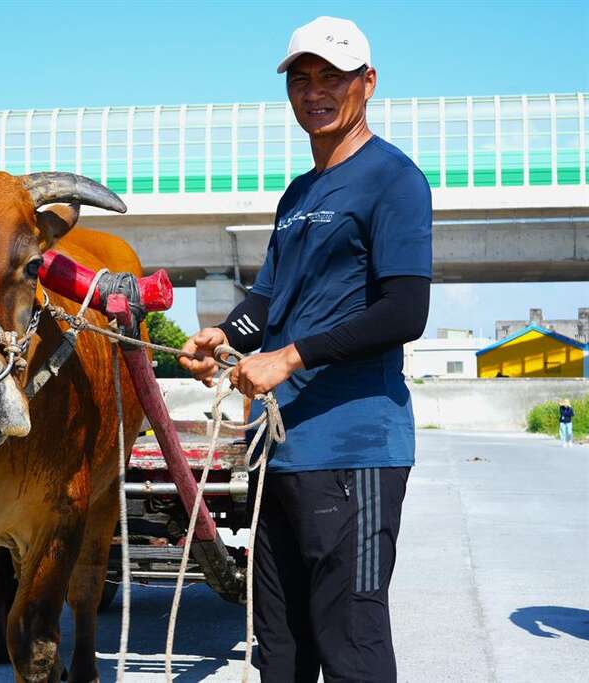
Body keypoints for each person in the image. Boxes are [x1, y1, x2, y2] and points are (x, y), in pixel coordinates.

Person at [179, 16, 432, 683]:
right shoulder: (298, 195)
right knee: (281, 647)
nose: (315, 91)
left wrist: (288, 359)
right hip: (280, 454)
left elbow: (405, 311)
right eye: (302, 78)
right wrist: (224, 338)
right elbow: (268, 300)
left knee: (351, 641)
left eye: (333, 77)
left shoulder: (394, 179)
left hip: (355, 450)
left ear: (367, 83)